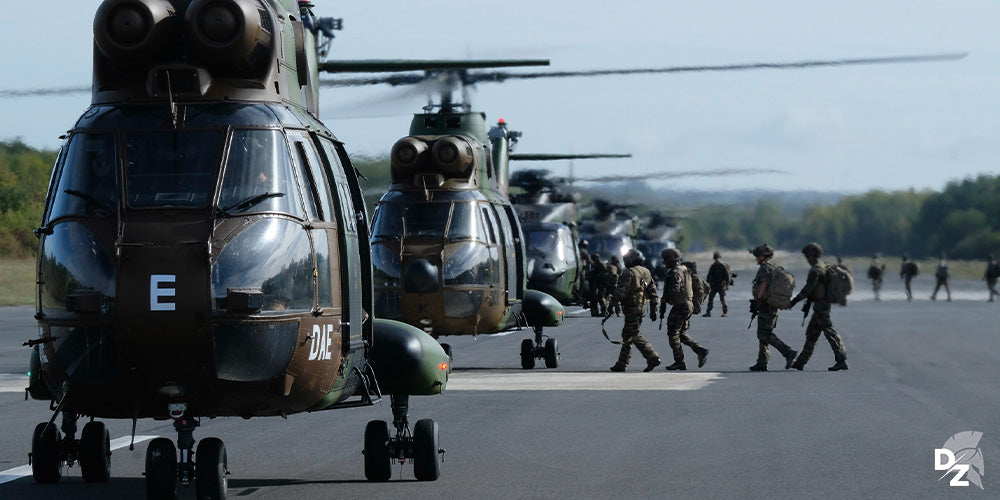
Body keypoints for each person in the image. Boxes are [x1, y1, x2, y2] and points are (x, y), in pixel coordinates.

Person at [789, 243, 848, 371]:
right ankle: (800, 362)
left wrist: (793, 301)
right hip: (821, 304)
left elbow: (807, 289)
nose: (806, 258)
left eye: (807, 256)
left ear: (811, 256)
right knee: (812, 333)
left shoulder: (816, 270)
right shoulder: (822, 266)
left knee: (829, 331)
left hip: (821, 305)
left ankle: (841, 359)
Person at [609, 249, 662, 372]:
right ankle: (622, 363)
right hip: (641, 308)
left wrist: (612, 303)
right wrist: (654, 309)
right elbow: (653, 292)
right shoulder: (646, 272)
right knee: (627, 335)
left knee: (633, 334)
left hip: (631, 307)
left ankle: (652, 356)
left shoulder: (629, 272)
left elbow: (621, 291)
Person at [748, 244, 797, 372]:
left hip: (766, 305)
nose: (756, 259)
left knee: (765, 334)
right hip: (770, 304)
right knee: (763, 333)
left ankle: (788, 352)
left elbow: (763, 284)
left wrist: (757, 298)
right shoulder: (772, 267)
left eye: (757, 256)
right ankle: (762, 362)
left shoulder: (765, 268)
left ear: (762, 257)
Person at [658, 249, 708, 370]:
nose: (664, 263)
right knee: (680, 333)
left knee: (672, 333)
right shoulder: (685, 269)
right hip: (687, 305)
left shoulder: (675, 273)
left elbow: (675, 288)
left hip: (681, 305)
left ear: (671, 259)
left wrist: (666, 299)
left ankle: (679, 361)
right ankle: (699, 350)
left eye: (665, 260)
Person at [704, 251, 731, 317]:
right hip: (714, 285)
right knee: (710, 299)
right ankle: (708, 312)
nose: (717, 259)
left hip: (721, 285)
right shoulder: (713, 266)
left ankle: (725, 312)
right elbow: (709, 276)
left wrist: (727, 285)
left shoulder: (722, 266)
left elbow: (727, 276)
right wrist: (707, 284)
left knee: (722, 299)